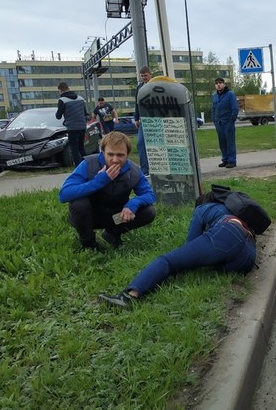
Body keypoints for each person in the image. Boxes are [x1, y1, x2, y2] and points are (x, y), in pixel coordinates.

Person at [98, 192, 257, 307]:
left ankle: (127, 297)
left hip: (228, 235)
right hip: (248, 256)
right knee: (215, 261)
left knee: (168, 261)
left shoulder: (203, 208)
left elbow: (190, 242)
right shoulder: (230, 210)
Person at [58, 131, 157, 251]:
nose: (115, 160)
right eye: (110, 154)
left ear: (127, 154)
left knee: (149, 211)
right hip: (90, 215)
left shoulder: (134, 170)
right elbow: (64, 194)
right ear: (103, 152)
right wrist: (99, 181)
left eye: (120, 155)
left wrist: (133, 204)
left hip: (116, 216)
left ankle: (112, 233)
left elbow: (150, 194)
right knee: (79, 204)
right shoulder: (88, 164)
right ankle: (88, 243)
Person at [56, 81, 88, 166]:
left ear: (60, 90)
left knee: (74, 149)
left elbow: (58, 116)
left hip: (72, 127)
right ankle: (87, 165)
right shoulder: (80, 98)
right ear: (68, 88)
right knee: (81, 147)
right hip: (82, 126)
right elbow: (85, 113)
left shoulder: (62, 100)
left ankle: (78, 168)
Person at [211, 77, 238, 168]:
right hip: (219, 123)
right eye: (216, 83)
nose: (218, 84)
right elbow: (213, 109)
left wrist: (231, 121)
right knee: (222, 142)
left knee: (230, 142)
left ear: (224, 84)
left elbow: (235, 109)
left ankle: (232, 160)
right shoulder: (215, 96)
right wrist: (214, 120)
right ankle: (225, 159)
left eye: (220, 83)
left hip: (228, 122)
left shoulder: (230, 94)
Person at [134, 66, 152, 176]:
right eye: (142, 76)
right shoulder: (139, 87)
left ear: (150, 74)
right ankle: (145, 170)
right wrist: (136, 118)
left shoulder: (155, 85)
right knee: (141, 144)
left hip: (154, 118)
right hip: (143, 119)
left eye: (146, 75)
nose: (144, 78)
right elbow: (137, 103)